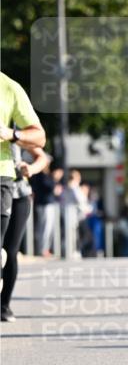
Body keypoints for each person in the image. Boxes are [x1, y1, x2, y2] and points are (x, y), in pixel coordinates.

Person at [2, 144, 49, 321]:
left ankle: (4, 305)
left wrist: (31, 168)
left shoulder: (14, 131)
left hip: (18, 194)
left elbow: (42, 157)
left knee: (10, 251)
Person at [0, 71, 45, 246]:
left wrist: (11, 134)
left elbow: (40, 143)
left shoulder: (10, 88)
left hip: (14, 186)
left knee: (10, 251)